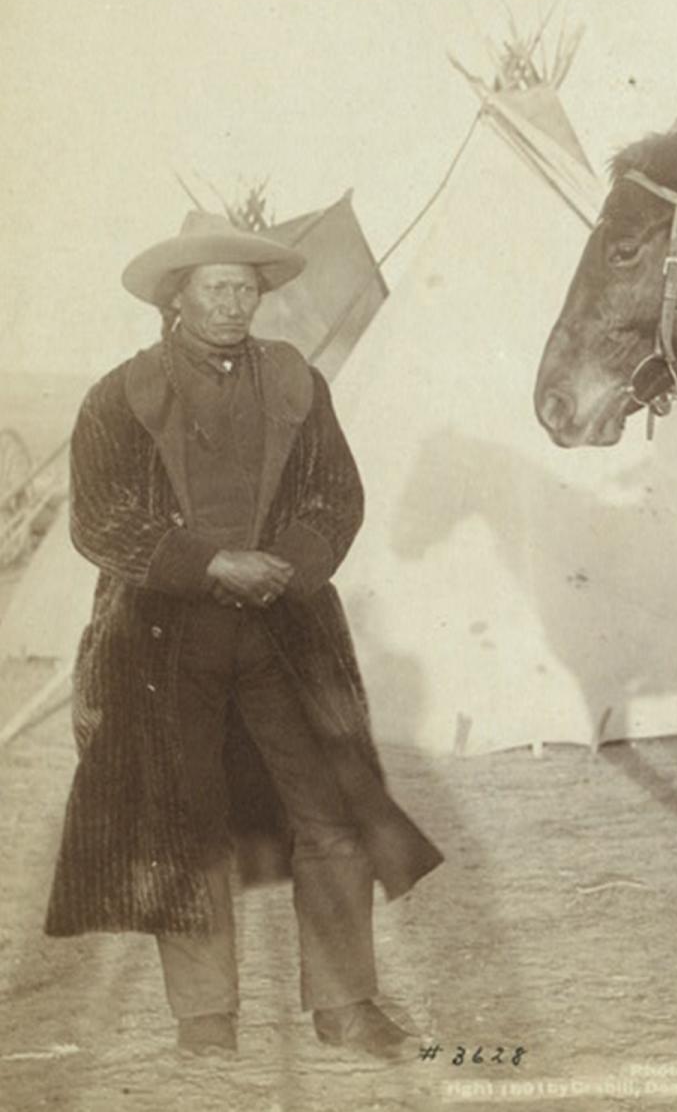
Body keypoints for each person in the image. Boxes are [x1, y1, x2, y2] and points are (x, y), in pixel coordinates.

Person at [43, 215, 442, 1058]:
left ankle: (344, 1007)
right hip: (161, 645)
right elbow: (102, 519)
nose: (232, 304)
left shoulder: (296, 380)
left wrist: (286, 565)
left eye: (245, 289)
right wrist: (209, 563)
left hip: (285, 637)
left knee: (331, 814)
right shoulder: (120, 394)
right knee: (183, 827)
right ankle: (205, 1023)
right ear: (176, 298)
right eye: (214, 288)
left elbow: (336, 496)